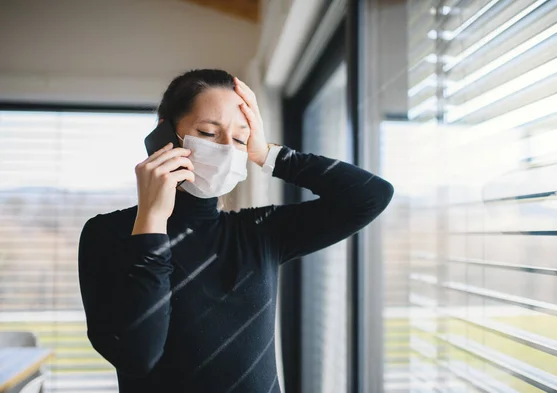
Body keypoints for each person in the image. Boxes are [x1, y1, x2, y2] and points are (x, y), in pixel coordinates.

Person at [78, 69, 394, 393]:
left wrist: (268, 154)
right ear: (165, 137)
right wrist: (152, 219)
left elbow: (370, 196)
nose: (228, 149)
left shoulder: (259, 231)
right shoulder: (108, 235)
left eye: (241, 138)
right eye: (209, 133)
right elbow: (137, 355)